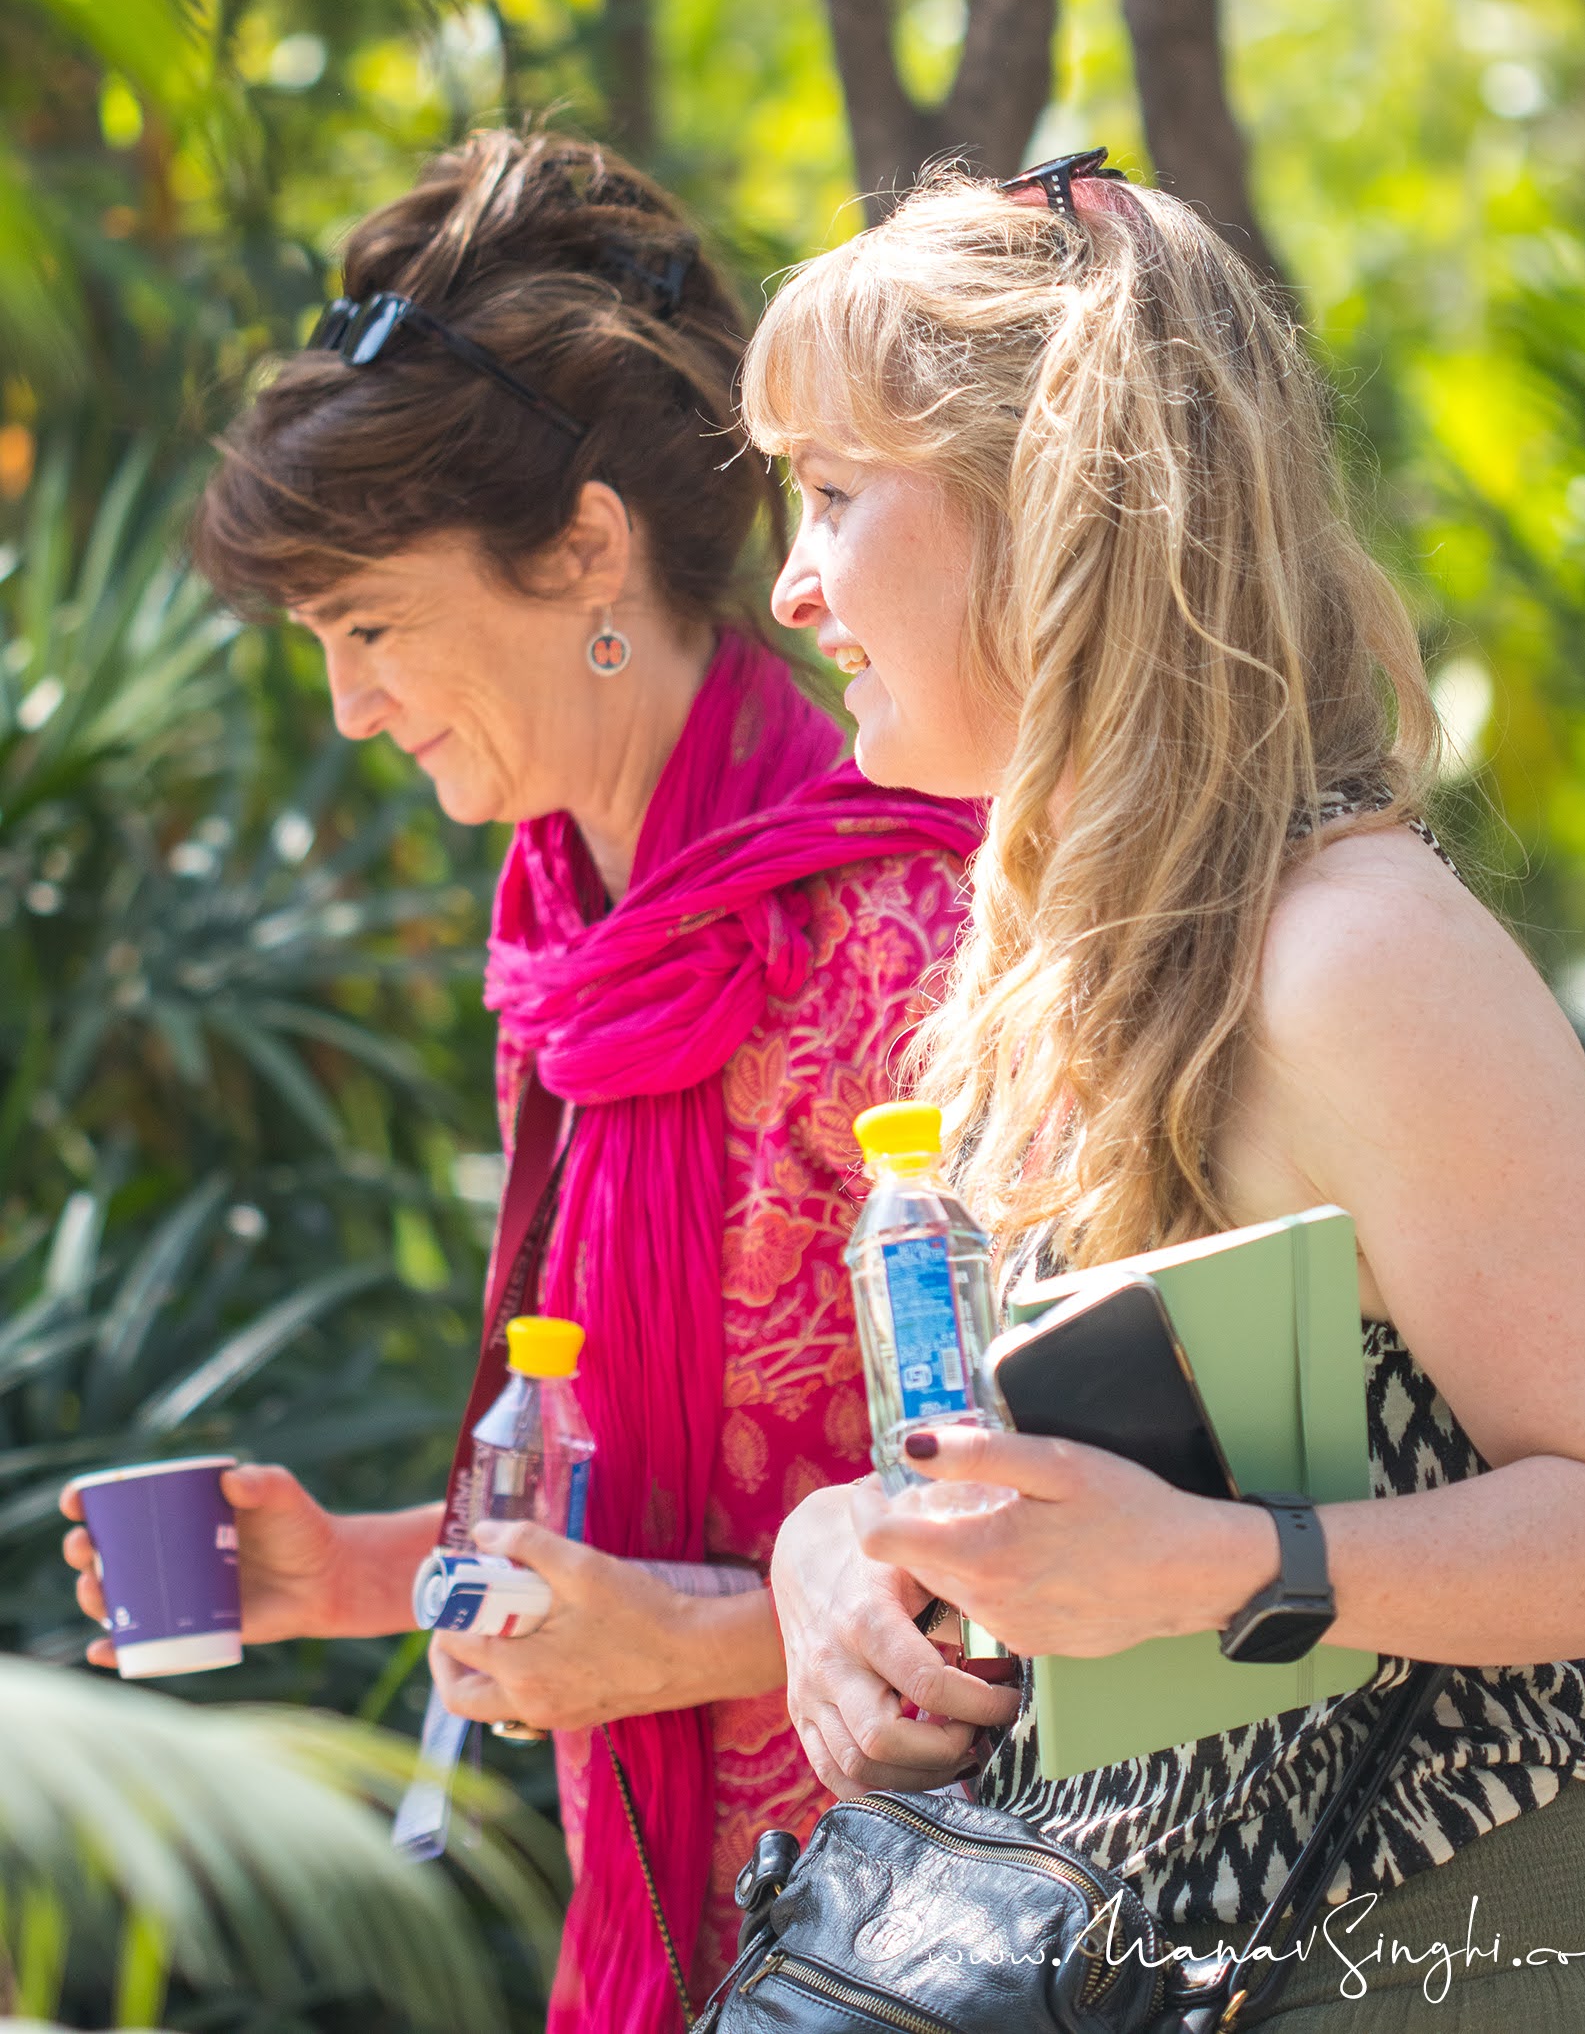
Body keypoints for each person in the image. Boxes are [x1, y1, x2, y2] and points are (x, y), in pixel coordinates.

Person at [61, 131, 980, 2031]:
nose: (352, 709)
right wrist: (358, 1573)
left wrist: (679, 1651)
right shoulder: (570, 931)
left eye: (371, 627)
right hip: (687, 1929)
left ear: (584, 547)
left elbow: (1089, 1552)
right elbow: (648, 1530)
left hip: (940, 1939)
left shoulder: (901, 932)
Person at [742, 153, 1585, 2028]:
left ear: (1046, 516)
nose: (792, 579)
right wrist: (834, 1556)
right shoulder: (1047, 946)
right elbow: (1061, 1491)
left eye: (835, 497)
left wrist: (1227, 1570)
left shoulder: (1352, 956)